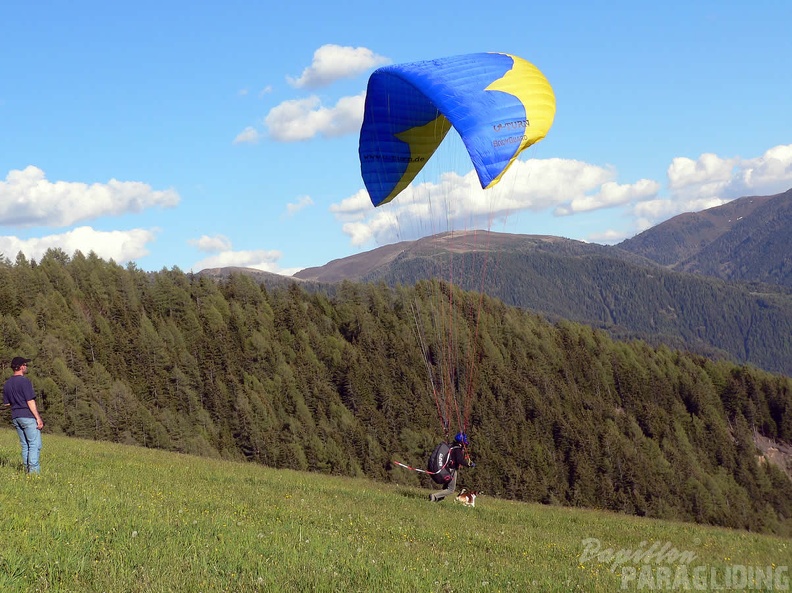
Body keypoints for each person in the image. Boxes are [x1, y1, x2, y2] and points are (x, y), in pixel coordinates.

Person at [2, 356, 44, 474]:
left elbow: (7, 404)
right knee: (34, 445)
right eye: (25, 365)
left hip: (16, 416)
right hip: (27, 416)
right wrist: (38, 418)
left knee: (25, 445)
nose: (26, 366)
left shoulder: (7, 384)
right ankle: (34, 473)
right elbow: (30, 401)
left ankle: (27, 470)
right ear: (20, 367)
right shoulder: (25, 381)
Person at [429, 432, 475, 502]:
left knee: (446, 487)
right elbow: (459, 460)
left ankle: (438, 499)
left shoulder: (452, 446)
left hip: (447, 469)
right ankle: (434, 496)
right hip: (451, 470)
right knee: (451, 489)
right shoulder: (457, 450)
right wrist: (468, 465)